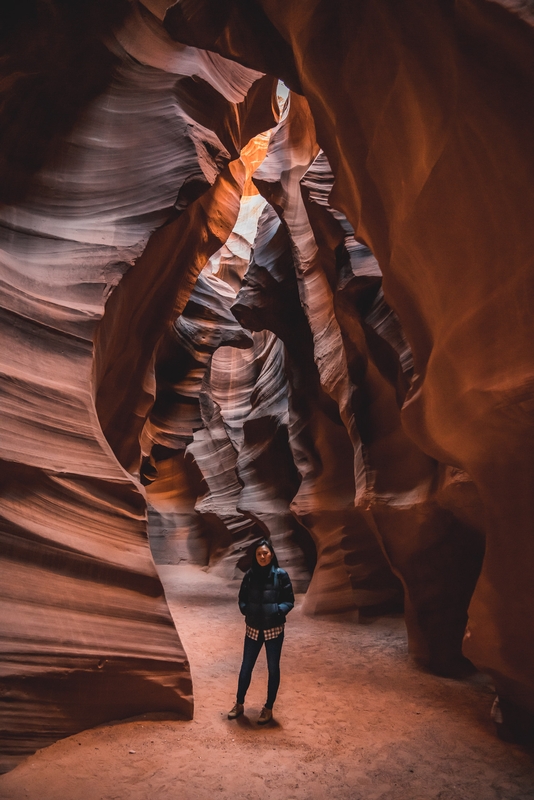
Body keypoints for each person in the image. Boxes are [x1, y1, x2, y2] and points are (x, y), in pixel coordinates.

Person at [228, 538, 294, 724]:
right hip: (253, 630)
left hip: (274, 630)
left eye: (265, 553)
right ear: (255, 557)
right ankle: (239, 703)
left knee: (273, 669)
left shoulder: (281, 575)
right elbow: (242, 598)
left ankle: (268, 708)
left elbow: (289, 600)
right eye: (259, 554)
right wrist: (247, 610)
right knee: (246, 667)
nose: (262, 557)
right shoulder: (250, 575)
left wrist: (277, 611)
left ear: (271, 554)